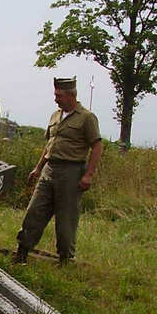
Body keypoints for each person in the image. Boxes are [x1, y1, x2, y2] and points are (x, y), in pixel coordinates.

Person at [13, 77, 102, 265]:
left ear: (71, 95)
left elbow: (96, 146)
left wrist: (88, 175)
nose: (55, 99)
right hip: (49, 169)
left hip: (71, 172)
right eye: (55, 95)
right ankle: (21, 252)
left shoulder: (86, 118)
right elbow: (49, 144)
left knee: (66, 219)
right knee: (34, 212)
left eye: (59, 95)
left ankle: (65, 259)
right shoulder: (55, 115)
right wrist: (37, 169)